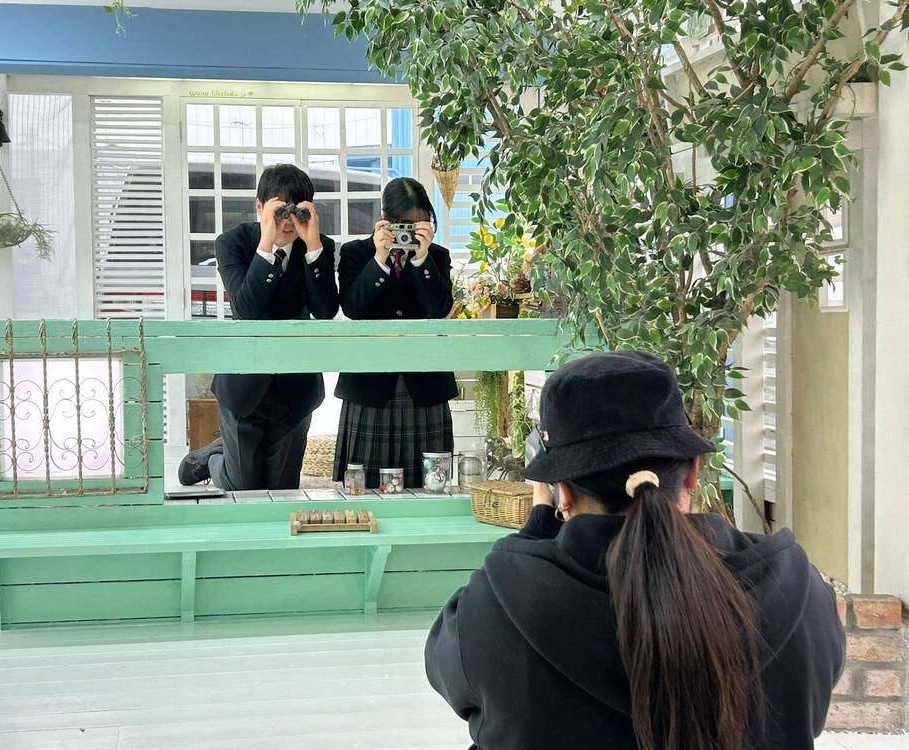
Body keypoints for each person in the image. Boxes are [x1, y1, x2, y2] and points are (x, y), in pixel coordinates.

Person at [425, 351, 845, 750]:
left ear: (562, 493)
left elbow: (447, 673)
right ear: (692, 474)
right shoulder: (799, 591)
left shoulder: (497, 606)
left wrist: (535, 531)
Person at [178, 164, 339, 490]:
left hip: (295, 387)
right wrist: (266, 244)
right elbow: (245, 309)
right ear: (259, 207)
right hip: (244, 385)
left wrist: (313, 248)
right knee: (243, 487)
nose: (287, 221)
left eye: (296, 211)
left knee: (281, 490)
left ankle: (226, 451)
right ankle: (211, 458)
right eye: (280, 210)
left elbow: (325, 312)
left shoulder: (318, 246)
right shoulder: (234, 243)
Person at [332, 177, 457, 490]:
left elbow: (439, 309)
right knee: (365, 486)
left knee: (429, 485)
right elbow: (353, 308)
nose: (409, 231)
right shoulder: (356, 253)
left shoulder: (437, 256)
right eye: (403, 223)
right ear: (385, 218)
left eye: (418, 223)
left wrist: (422, 259)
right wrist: (380, 259)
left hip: (425, 384)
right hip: (369, 385)